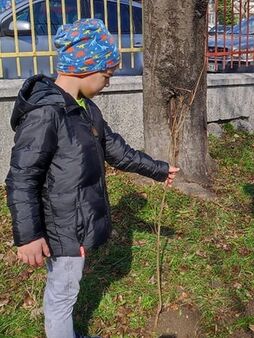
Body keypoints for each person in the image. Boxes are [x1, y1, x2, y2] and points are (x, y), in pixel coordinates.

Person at [5, 18, 179, 338]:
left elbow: (116, 150)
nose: (109, 82)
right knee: (63, 294)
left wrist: (157, 169)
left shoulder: (85, 108)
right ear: (86, 68)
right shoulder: (47, 113)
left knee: (68, 287)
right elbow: (22, 178)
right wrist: (28, 236)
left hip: (76, 222)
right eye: (107, 75)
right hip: (62, 227)